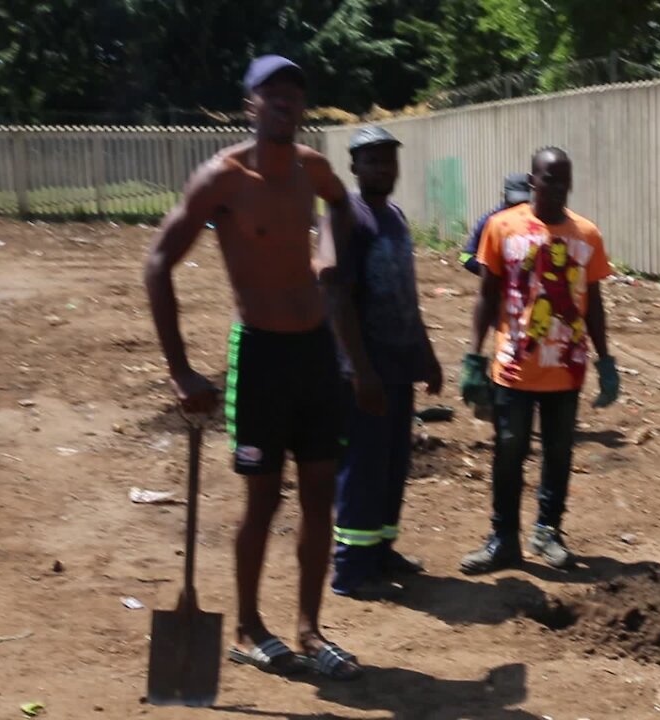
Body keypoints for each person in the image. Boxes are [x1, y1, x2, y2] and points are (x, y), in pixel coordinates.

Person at [144, 54, 379, 681]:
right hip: (262, 355)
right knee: (263, 500)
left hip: (314, 352)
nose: (284, 103)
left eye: (294, 95)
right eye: (271, 94)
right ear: (250, 104)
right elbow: (157, 264)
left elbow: (343, 207)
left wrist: (329, 254)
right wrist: (181, 370)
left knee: (320, 495)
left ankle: (309, 629)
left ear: (304, 107)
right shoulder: (221, 180)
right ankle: (250, 627)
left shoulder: (312, 169)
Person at [459, 146, 621, 575]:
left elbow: (595, 303)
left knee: (558, 452)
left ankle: (548, 531)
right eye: (548, 178)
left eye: (564, 180)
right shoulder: (501, 227)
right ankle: (503, 539)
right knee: (509, 451)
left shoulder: (586, 235)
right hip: (513, 366)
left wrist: (606, 360)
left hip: (566, 369)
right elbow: (487, 295)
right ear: (533, 180)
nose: (556, 187)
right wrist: (474, 355)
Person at [323, 126, 443, 599]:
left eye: (388, 160)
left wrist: (427, 356)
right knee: (363, 467)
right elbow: (338, 299)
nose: (382, 169)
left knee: (394, 464)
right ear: (353, 166)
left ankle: (381, 550)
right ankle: (351, 570)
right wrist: (359, 371)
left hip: (397, 367)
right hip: (363, 372)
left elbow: (406, 297)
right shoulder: (346, 217)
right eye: (371, 161)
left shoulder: (393, 215)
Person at [459, 173, 532, 275]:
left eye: (524, 203)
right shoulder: (490, 222)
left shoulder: (537, 219)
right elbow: (465, 257)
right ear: (505, 196)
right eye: (515, 202)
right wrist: (495, 275)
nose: (520, 208)